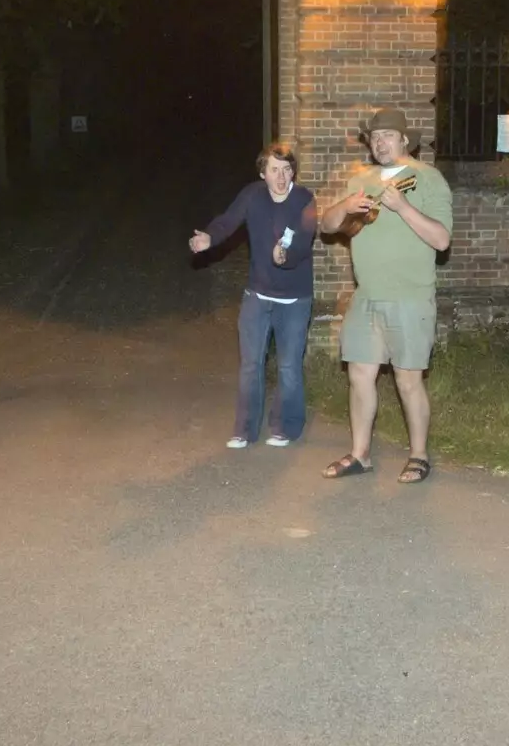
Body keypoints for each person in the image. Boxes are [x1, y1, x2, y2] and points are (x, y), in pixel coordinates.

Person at [316, 108, 453, 484]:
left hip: (410, 297)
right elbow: (327, 227)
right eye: (375, 137)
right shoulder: (362, 179)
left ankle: (419, 455)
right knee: (360, 374)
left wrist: (403, 207)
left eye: (388, 136)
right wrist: (345, 207)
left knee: (409, 380)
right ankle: (360, 455)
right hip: (367, 296)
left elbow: (442, 240)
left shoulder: (428, 179)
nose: (380, 143)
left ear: (405, 140)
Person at [189, 143, 318, 449]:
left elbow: (303, 239)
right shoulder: (252, 195)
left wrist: (285, 255)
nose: (281, 176)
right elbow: (228, 221)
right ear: (263, 173)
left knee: (288, 366)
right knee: (250, 364)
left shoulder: (304, 199)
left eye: (287, 169)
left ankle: (286, 427)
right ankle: (245, 430)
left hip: (295, 299)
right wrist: (210, 236)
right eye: (274, 169)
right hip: (258, 295)